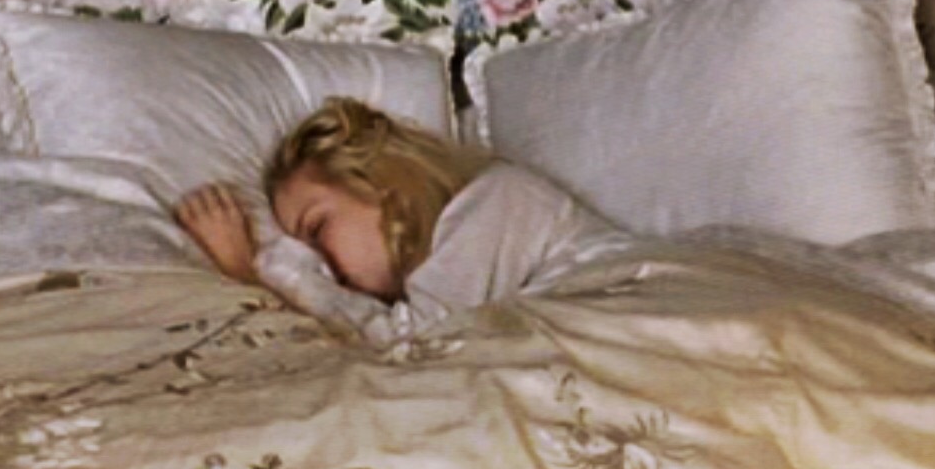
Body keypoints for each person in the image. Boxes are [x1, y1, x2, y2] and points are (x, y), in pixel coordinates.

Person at [173, 97, 626, 341]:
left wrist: (259, 276)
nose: (321, 266)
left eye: (317, 228)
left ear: (381, 184)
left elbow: (414, 347)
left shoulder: (502, 197)